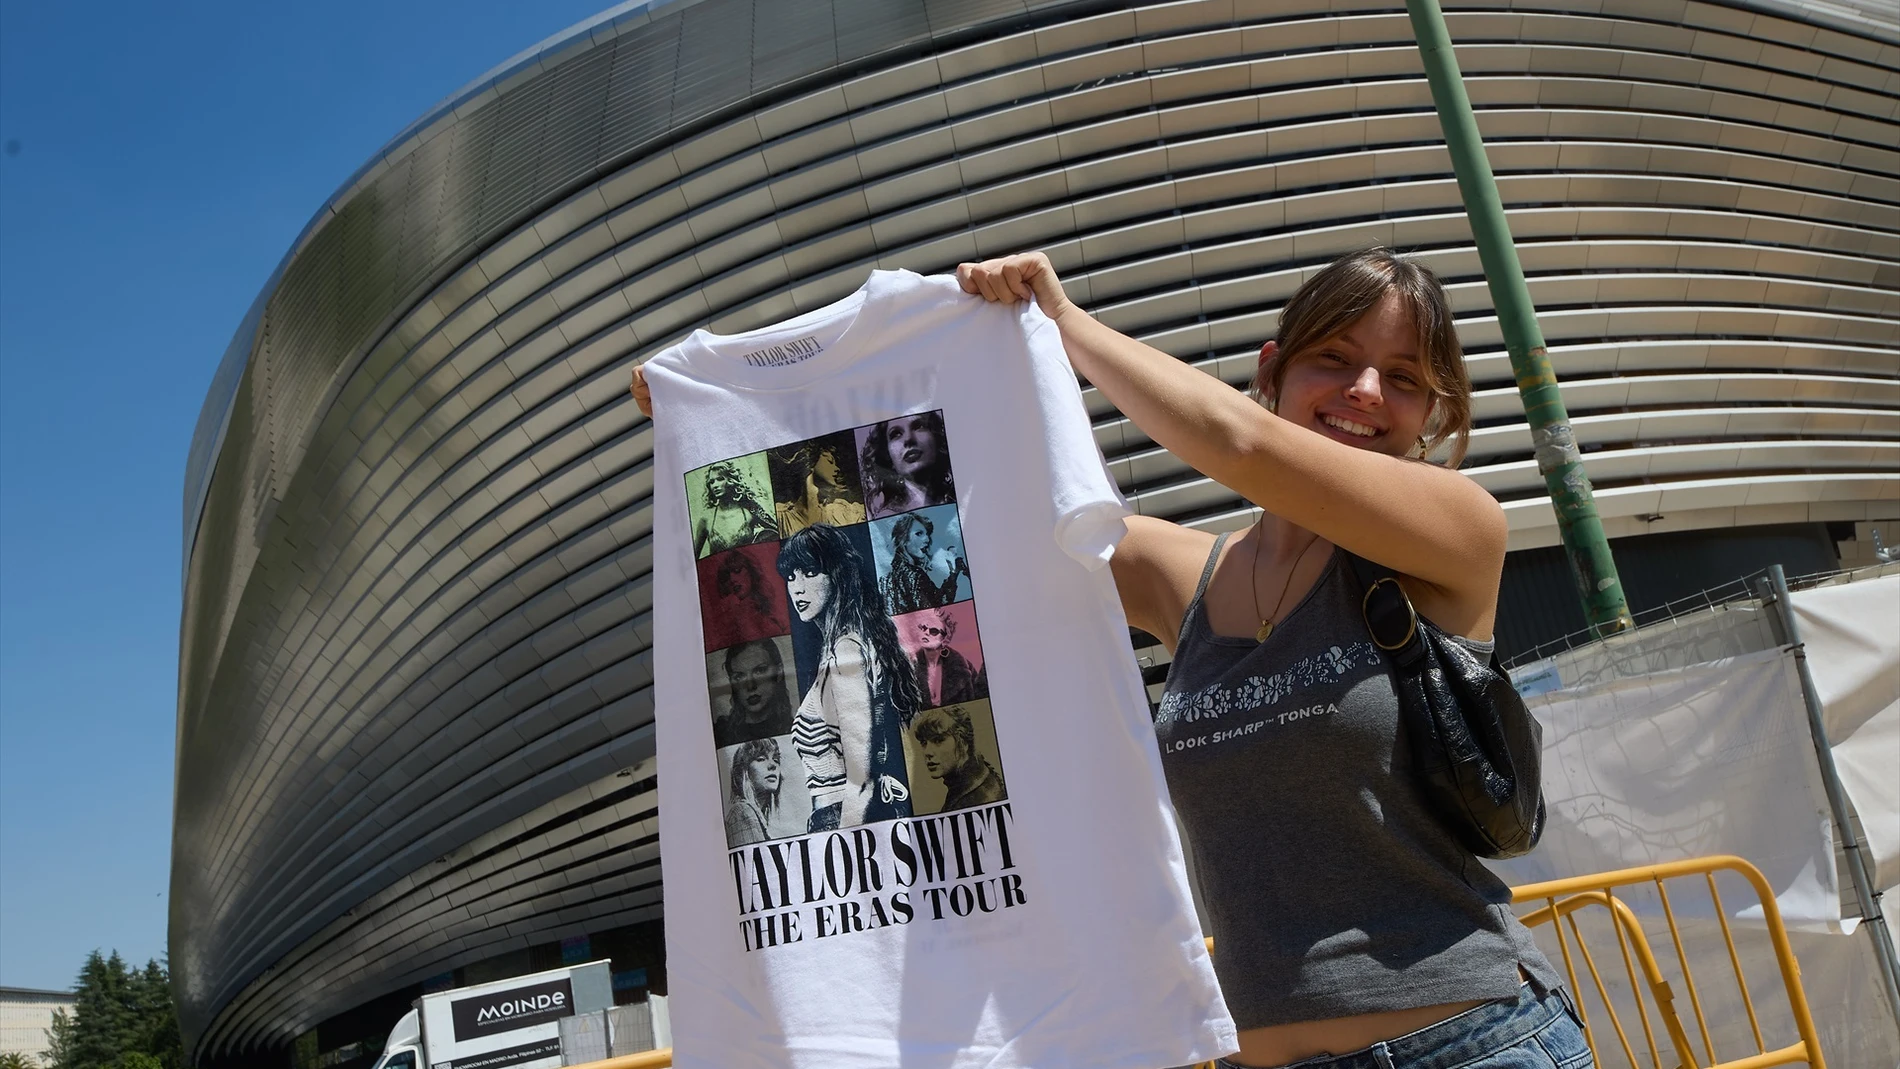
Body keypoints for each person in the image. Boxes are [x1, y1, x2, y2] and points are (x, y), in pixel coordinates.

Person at [954, 248, 1589, 1069]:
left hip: (1474, 1044)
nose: (1364, 390)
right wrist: (966, 339)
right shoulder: (1184, 576)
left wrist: (1064, 323)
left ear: (1433, 413)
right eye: (1335, 358)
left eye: (1402, 377)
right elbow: (982, 541)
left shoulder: (1458, 531)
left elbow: (1241, 445)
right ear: (1272, 370)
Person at [776, 524, 918, 831]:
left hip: (844, 820)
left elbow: (861, 778)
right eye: (791, 576)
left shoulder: (845, 651)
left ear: (838, 574)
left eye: (810, 572)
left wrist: (845, 842)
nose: (797, 587)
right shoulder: (844, 645)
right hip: (845, 817)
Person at [910, 704, 1006, 812]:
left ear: (963, 742)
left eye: (938, 740)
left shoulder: (980, 798)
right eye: (923, 742)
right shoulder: (968, 787)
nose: (928, 752)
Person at [860, 412, 956, 516]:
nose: (908, 438)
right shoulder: (888, 520)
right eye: (896, 434)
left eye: (919, 426)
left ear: (937, 439)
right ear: (888, 458)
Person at [882, 512, 969, 615]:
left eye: (927, 534)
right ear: (903, 539)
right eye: (919, 533)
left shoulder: (888, 578)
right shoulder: (914, 575)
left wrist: (954, 573)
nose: (927, 539)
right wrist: (953, 575)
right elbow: (938, 609)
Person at [712, 639, 794, 748]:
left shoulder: (798, 728)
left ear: (778, 672)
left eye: (760, 671)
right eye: (739, 676)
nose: (750, 686)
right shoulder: (719, 733)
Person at [773, 440, 867, 533]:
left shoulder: (840, 513)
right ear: (811, 460)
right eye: (830, 461)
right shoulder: (780, 516)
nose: (837, 468)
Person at [694, 459, 778, 557]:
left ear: (731, 480)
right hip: (720, 571)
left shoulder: (748, 512)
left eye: (720, 479)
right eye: (711, 482)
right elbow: (695, 558)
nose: (715, 485)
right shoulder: (706, 518)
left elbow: (774, 533)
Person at [907, 606, 985, 708]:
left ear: (945, 638)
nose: (926, 632)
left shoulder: (964, 667)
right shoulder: (908, 666)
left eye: (933, 631)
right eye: (924, 628)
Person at [723, 737, 784, 847]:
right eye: (761, 759)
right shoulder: (742, 812)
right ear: (743, 771)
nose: (773, 765)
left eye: (776, 759)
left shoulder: (751, 815)